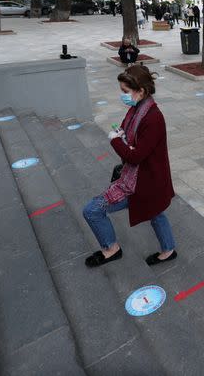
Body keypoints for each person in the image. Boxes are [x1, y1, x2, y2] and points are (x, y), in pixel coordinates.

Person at [82, 65, 177, 268]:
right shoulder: (137, 109)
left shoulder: (153, 118)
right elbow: (127, 132)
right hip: (145, 178)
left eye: (125, 91)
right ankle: (168, 250)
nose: (122, 95)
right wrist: (123, 136)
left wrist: (115, 140)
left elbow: (135, 156)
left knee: (92, 210)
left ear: (140, 90)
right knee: (156, 213)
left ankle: (111, 249)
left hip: (144, 182)